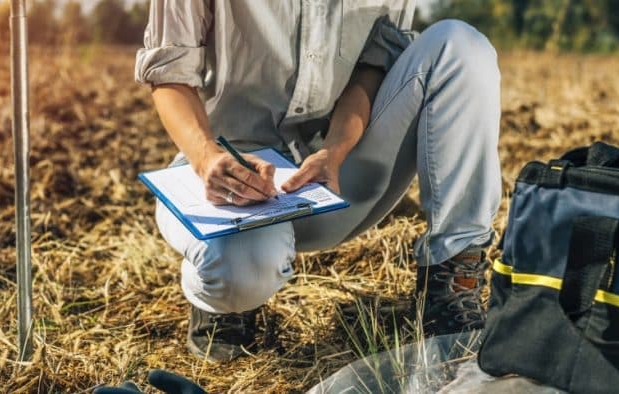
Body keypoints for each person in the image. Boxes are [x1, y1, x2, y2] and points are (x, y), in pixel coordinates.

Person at [134, 0, 501, 362]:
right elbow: (169, 74)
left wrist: (335, 150)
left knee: (461, 46)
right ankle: (221, 306)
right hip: (229, 171)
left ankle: (452, 278)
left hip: (335, 174)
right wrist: (207, 157)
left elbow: (373, 66)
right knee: (237, 277)